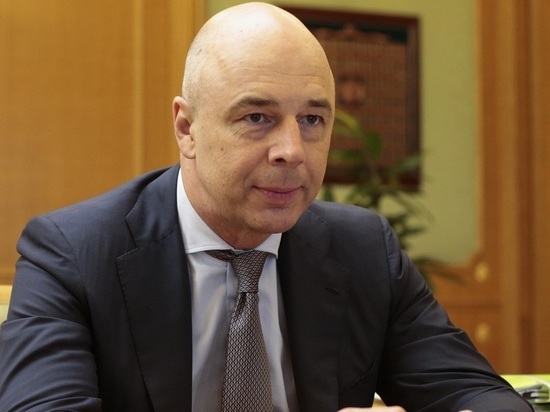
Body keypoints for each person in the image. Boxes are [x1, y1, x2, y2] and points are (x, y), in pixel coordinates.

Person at [0, 2, 534, 412]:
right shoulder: (74, 253)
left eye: (312, 120)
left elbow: (476, 393)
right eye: (257, 117)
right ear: (186, 128)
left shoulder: (365, 250)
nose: (292, 151)